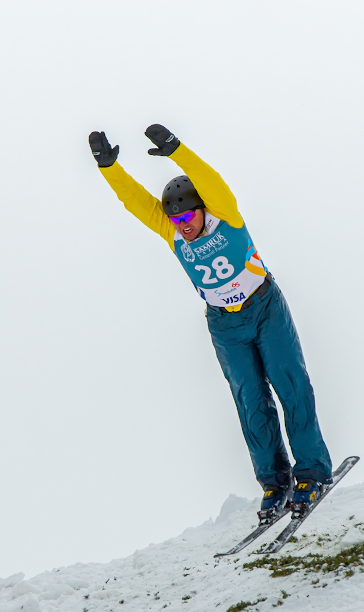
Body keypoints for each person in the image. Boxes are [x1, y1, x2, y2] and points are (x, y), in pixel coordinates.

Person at [88, 126, 334, 523]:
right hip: (224, 324)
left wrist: (175, 150)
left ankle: (312, 473)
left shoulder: (225, 215)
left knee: (291, 385)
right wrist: (108, 166)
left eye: (188, 214)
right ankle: (275, 483)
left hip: (264, 307)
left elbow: (211, 180)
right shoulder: (173, 233)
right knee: (250, 401)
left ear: (202, 209)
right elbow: (134, 202)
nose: (182, 223)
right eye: (175, 217)